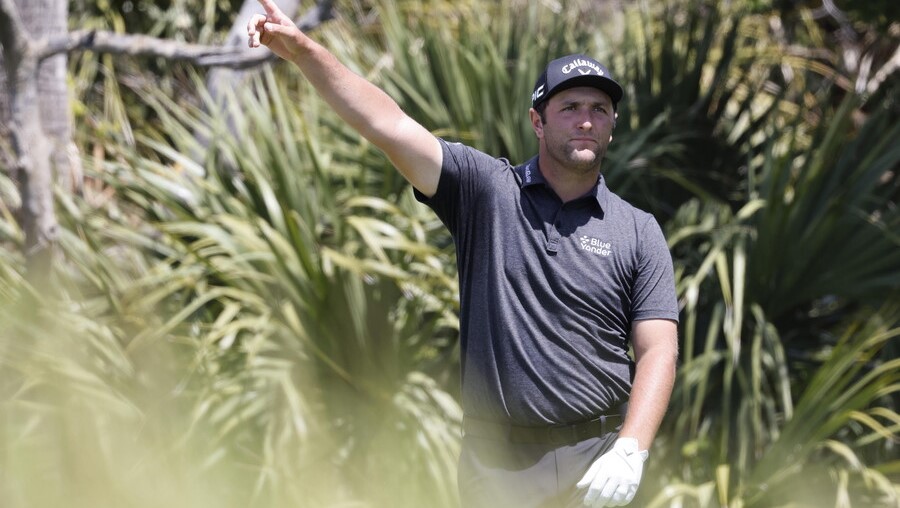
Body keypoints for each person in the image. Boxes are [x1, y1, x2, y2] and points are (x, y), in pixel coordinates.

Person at [248, 1, 679, 507]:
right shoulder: (486, 191)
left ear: (611, 124)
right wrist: (304, 52)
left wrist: (632, 449)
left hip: (599, 461)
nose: (586, 121)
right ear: (538, 121)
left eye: (599, 110)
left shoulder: (638, 230)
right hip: (496, 469)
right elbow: (389, 125)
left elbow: (658, 349)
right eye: (570, 108)